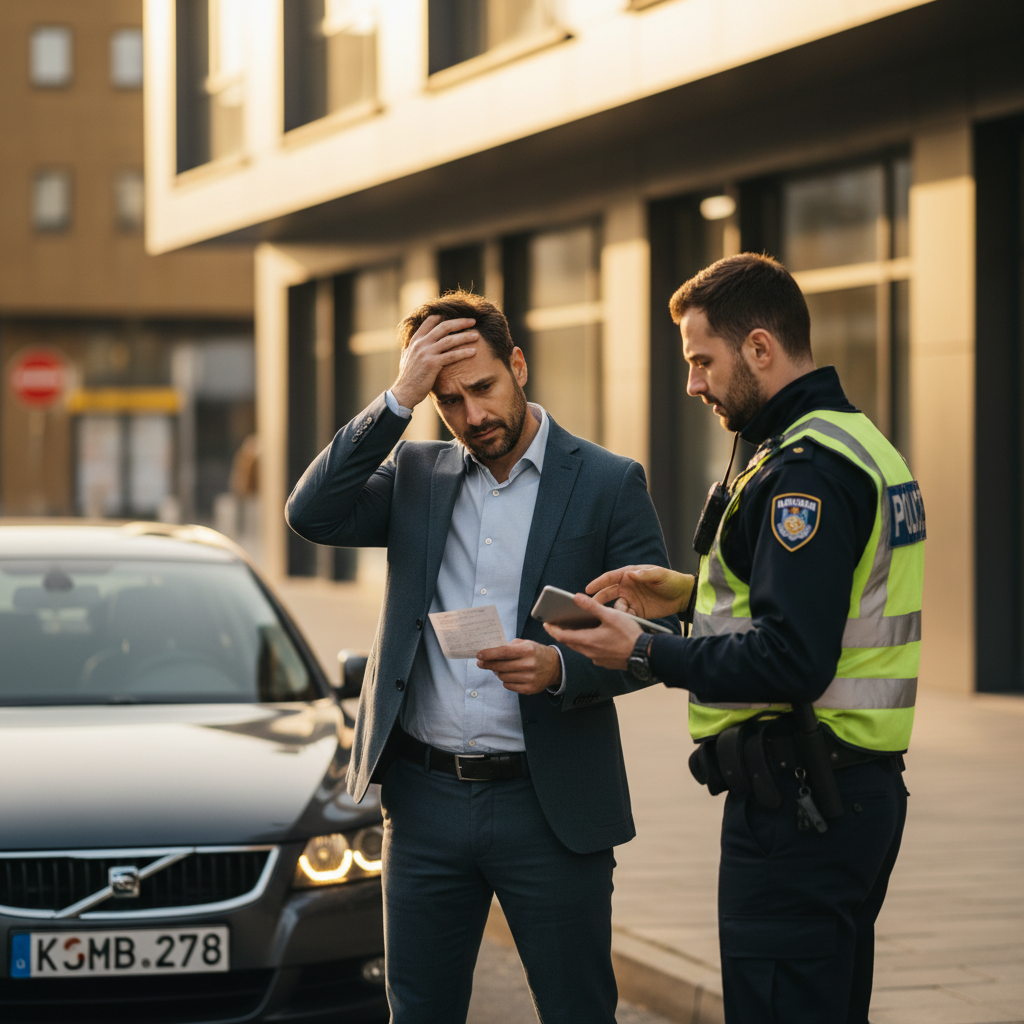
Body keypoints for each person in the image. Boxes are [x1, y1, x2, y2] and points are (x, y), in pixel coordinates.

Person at [545, 254, 925, 1024]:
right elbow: (820, 608)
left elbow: (793, 657)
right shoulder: (856, 442)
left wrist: (644, 649)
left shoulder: (803, 474)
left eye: (701, 360)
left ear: (759, 348)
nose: (692, 384)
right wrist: (685, 601)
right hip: (846, 793)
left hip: (801, 806)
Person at [286, 290, 674, 1024]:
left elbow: (657, 636)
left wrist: (563, 670)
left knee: (578, 1010)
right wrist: (398, 397)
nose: (472, 416)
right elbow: (311, 512)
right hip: (425, 804)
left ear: (519, 365)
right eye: (448, 400)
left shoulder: (606, 482)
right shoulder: (417, 477)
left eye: (485, 388)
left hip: (549, 804)